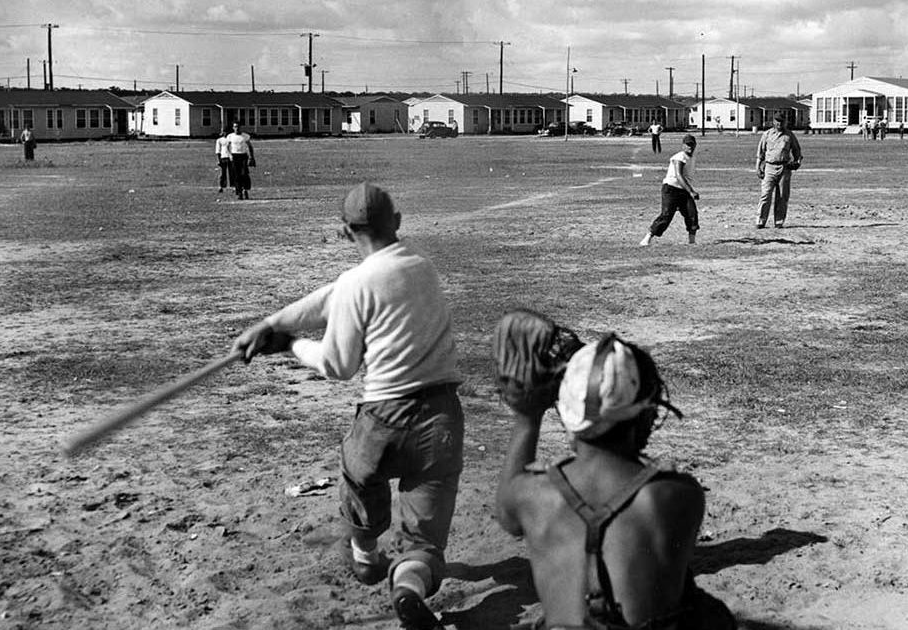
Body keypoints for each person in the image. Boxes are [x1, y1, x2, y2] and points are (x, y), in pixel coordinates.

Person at [232, 183, 463, 630]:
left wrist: (290, 344)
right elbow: (334, 295)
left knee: (360, 478)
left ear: (344, 232)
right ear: (396, 222)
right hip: (441, 416)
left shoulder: (357, 284)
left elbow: (338, 365)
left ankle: (365, 555)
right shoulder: (422, 267)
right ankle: (409, 585)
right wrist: (271, 322)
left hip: (385, 415)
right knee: (426, 525)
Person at [495, 333, 736, 630]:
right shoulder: (676, 495)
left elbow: (507, 516)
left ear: (569, 415)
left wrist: (527, 416)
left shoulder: (530, 493)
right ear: (645, 416)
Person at [639, 134, 700, 246]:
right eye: (687, 145)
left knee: (692, 214)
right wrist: (691, 191)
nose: (690, 147)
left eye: (692, 144)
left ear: (695, 145)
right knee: (666, 215)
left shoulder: (692, 157)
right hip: (671, 189)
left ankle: (692, 242)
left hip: (684, 190)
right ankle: (648, 237)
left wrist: (688, 190)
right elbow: (678, 175)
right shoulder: (679, 157)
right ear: (683, 146)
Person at [755, 113, 803, 229]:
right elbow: (760, 153)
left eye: (781, 121)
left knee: (782, 196)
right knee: (765, 195)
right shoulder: (766, 134)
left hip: (784, 168)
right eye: (777, 121)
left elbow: (797, 152)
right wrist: (757, 167)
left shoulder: (789, 135)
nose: (779, 124)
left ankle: (779, 221)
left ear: (785, 122)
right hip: (769, 168)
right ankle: (760, 221)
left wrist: (797, 162)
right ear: (773, 122)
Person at [226, 121, 255, 199]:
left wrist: (251, 157)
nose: (237, 128)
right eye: (235, 127)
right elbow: (227, 147)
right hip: (234, 156)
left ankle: (245, 189)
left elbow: (250, 147)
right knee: (236, 175)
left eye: (238, 127)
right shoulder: (230, 136)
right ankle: (239, 192)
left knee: (244, 173)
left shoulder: (245, 136)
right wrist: (229, 155)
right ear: (233, 128)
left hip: (243, 156)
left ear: (240, 127)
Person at [215, 128, 232, 193]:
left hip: (230, 157)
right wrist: (219, 160)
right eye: (224, 132)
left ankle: (233, 186)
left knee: (232, 172)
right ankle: (221, 186)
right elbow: (218, 151)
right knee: (222, 173)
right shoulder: (219, 140)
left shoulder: (230, 139)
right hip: (223, 157)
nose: (225, 133)